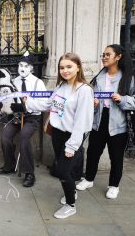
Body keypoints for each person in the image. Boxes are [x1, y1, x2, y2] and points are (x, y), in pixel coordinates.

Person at [76, 44, 135, 199]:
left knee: (115, 157)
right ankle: (89, 179)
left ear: (118, 57)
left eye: (108, 54)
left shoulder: (129, 79)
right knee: (93, 152)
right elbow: (90, 97)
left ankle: (114, 185)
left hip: (118, 124)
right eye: (103, 54)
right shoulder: (99, 77)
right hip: (99, 121)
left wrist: (123, 99)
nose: (104, 57)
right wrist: (93, 102)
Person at [33, 53, 94, 218]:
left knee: (61, 171)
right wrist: (27, 103)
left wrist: (72, 145)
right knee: (63, 168)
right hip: (58, 133)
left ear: (78, 67)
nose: (65, 70)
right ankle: (72, 192)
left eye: (69, 67)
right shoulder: (61, 87)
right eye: (62, 67)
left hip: (72, 136)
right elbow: (48, 104)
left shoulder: (84, 90)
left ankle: (70, 205)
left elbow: (81, 121)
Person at [0, 51, 47, 188]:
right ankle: (9, 166)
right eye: (20, 65)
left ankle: (29, 173)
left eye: (25, 65)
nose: (22, 68)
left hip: (32, 118)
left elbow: (44, 104)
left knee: (24, 136)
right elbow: (8, 98)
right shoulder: (14, 82)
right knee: (5, 137)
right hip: (16, 117)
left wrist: (28, 104)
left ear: (31, 68)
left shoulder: (38, 83)